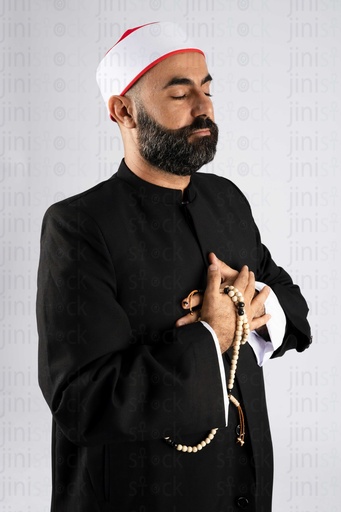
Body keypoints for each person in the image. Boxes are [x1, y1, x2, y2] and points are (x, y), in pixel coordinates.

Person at [37, 22, 311, 512]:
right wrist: (213, 335)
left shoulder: (226, 199)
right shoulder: (78, 226)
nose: (204, 107)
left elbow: (293, 308)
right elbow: (84, 402)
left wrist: (248, 308)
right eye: (181, 94)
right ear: (124, 111)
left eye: (207, 90)